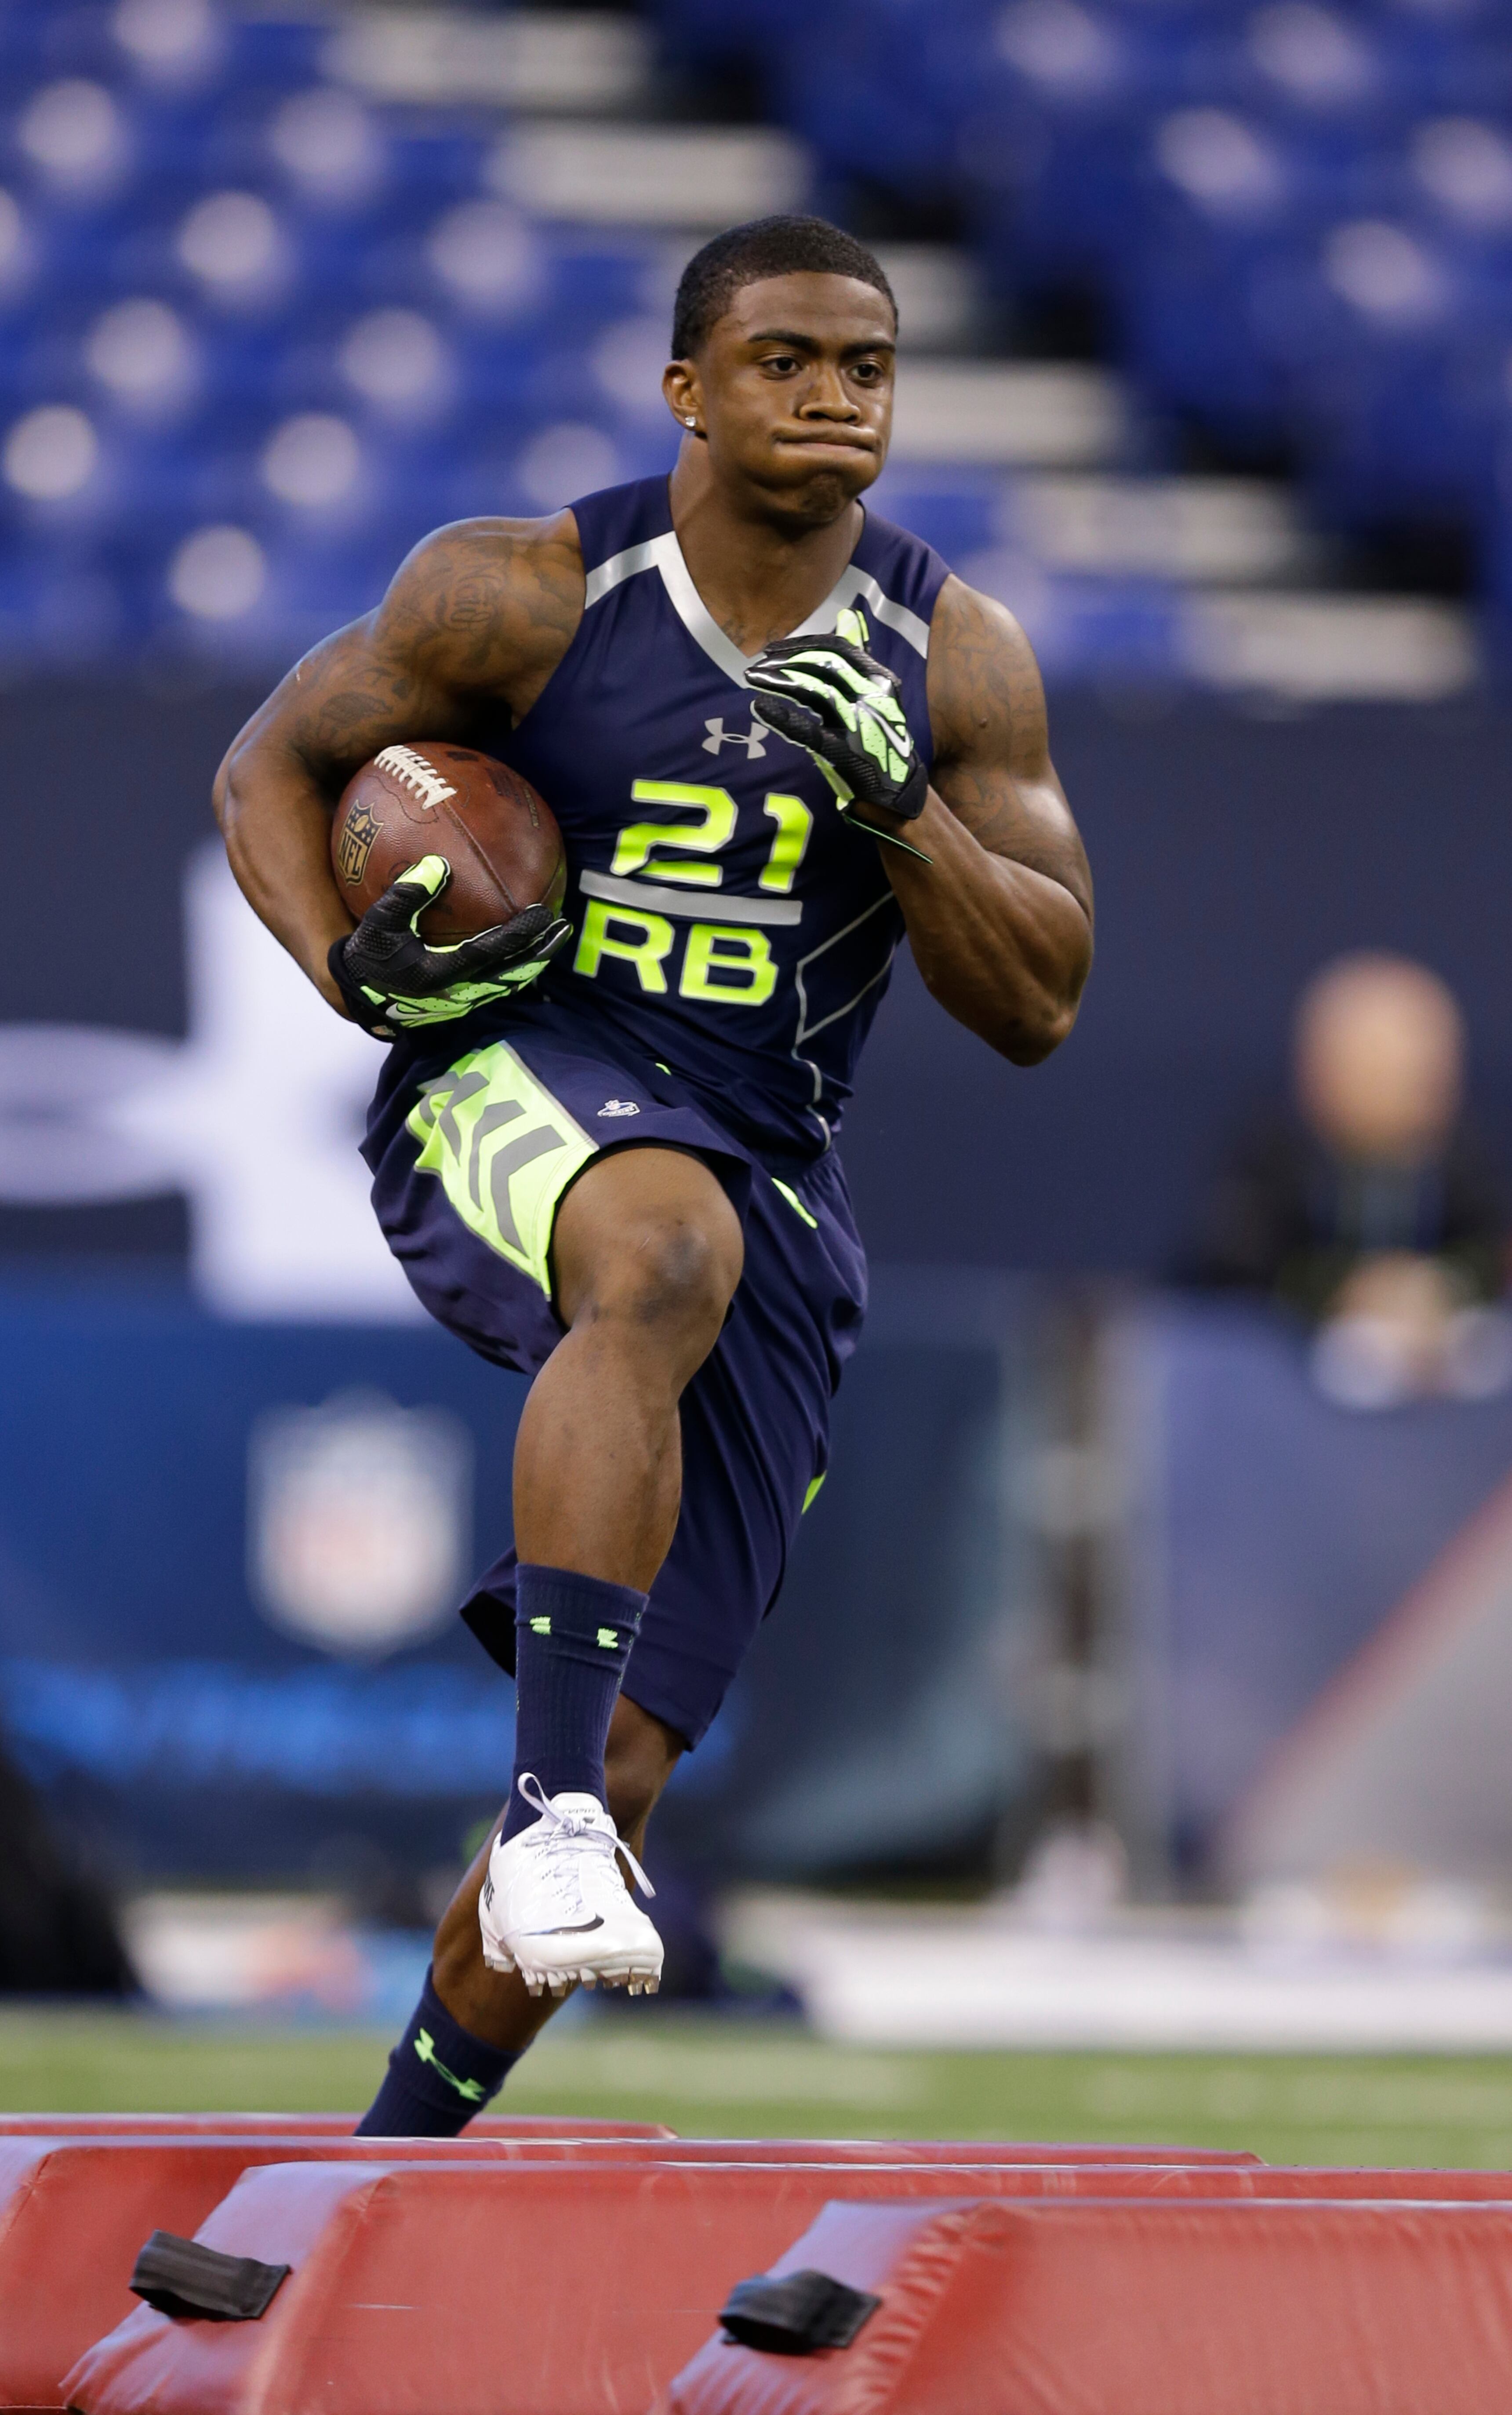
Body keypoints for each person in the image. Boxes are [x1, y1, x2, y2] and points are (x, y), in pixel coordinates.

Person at [215, 214, 1093, 2134]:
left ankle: (375, 2184)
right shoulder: (518, 594)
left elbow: (1038, 998)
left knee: (626, 1761)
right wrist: (348, 977)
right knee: (657, 1244)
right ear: (686, 390)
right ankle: (536, 1825)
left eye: (865, 367)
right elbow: (267, 771)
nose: (832, 396)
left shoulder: (953, 655)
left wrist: (905, 813)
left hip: (769, 1155)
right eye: (785, 359)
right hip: (520, 1077)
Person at [1186, 952, 1507, 1403]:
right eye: (1383, 1070)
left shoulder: (1464, 1160)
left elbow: (1492, 1252)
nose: (1408, 1091)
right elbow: (1230, 1269)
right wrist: (1346, 1292)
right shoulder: (1274, 1161)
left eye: (1425, 1071)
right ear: (1321, 1071)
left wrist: (1438, 1288)